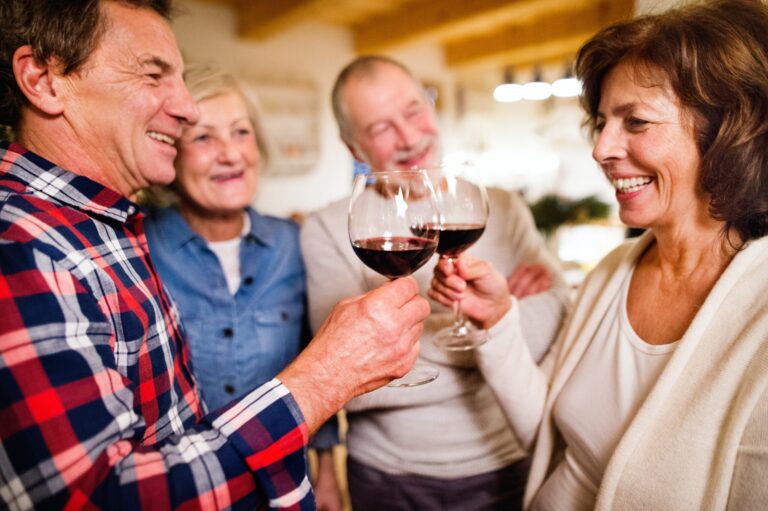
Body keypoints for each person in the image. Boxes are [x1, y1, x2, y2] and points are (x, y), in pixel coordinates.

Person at [0, 1, 430, 509]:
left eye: (241, 131)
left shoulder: (115, 228)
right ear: (45, 81)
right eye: (153, 74)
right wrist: (325, 377)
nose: (182, 109)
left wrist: (326, 469)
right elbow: (94, 496)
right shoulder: (26, 247)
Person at [429, 0, 768, 509]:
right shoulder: (612, 274)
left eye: (635, 121)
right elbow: (550, 436)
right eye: (604, 121)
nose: (601, 148)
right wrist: (497, 323)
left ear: (728, 132)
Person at [300, 55, 569, 510]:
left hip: (508, 464)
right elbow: (345, 379)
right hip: (388, 477)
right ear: (353, 148)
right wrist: (500, 332)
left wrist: (403, 343)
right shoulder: (327, 229)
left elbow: (561, 323)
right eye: (381, 128)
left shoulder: (500, 207)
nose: (409, 137)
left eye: (413, 110)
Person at [142, 63, 343, 510]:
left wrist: (328, 471)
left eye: (241, 132)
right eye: (203, 137)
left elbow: (313, 355)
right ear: (170, 151)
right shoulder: (140, 246)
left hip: (286, 486)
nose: (231, 154)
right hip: (184, 494)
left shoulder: (293, 243)